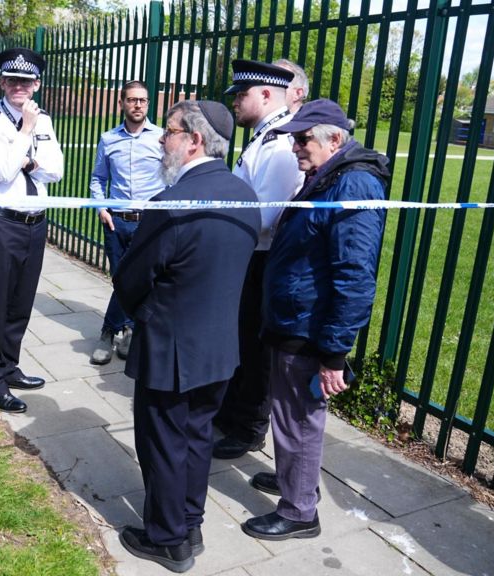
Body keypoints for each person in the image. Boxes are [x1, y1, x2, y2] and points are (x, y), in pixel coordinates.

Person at [114, 100, 260, 573]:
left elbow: (132, 280)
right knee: (196, 440)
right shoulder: (244, 193)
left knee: (162, 444)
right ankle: (190, 522)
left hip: (170, 347)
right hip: (219, 346)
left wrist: (143, 314)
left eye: (170, 131)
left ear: (195, 140)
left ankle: (167, 539)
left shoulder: (171, 204)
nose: (162, 139)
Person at [241, 99, 389, 541]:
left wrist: (333, 352)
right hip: (292, 317)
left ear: (335, 141)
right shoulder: (327, 177)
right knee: (291, 413)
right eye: (294, 139)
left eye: (303, 140)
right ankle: (296, 480)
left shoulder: (354, 185)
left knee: (299, 417)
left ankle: (299, 510)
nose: (295, 149)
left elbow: (355, 274)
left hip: (309, 328)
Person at [212, 60, 304, 460]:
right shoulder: (266, 137)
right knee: (242, 340)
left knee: (255, 347)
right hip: (249, 256)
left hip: (263, 259)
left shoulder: (281, 146)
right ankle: (234, 414)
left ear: (266, 95)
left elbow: (263, 215)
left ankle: (249, 426)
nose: (235, 102)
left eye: (242, 95)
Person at [0, 48, 64, 413]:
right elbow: (2, 171)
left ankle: (9, 366)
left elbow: (56, 170)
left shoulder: (44, 118)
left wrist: (28, 159)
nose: (18, 87)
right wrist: (25, 134)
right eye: (12, 80)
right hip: (3, 222)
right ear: (1, 81)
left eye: (26, 81)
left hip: (35, 223)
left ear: (37, 84)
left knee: (21, 303)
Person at [88, 80, 165, 365]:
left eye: (143, 100)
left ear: (148, 104)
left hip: (149, 223)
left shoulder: (161, 137)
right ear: (121, 103)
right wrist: (102, 208)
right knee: (121, 278)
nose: (138, 105)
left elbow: (171, 178)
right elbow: (98, 178)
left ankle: (112, 332)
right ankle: (128, 327)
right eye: (132, 100)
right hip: (116, 221)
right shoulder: (109, 139)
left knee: (138, 279)